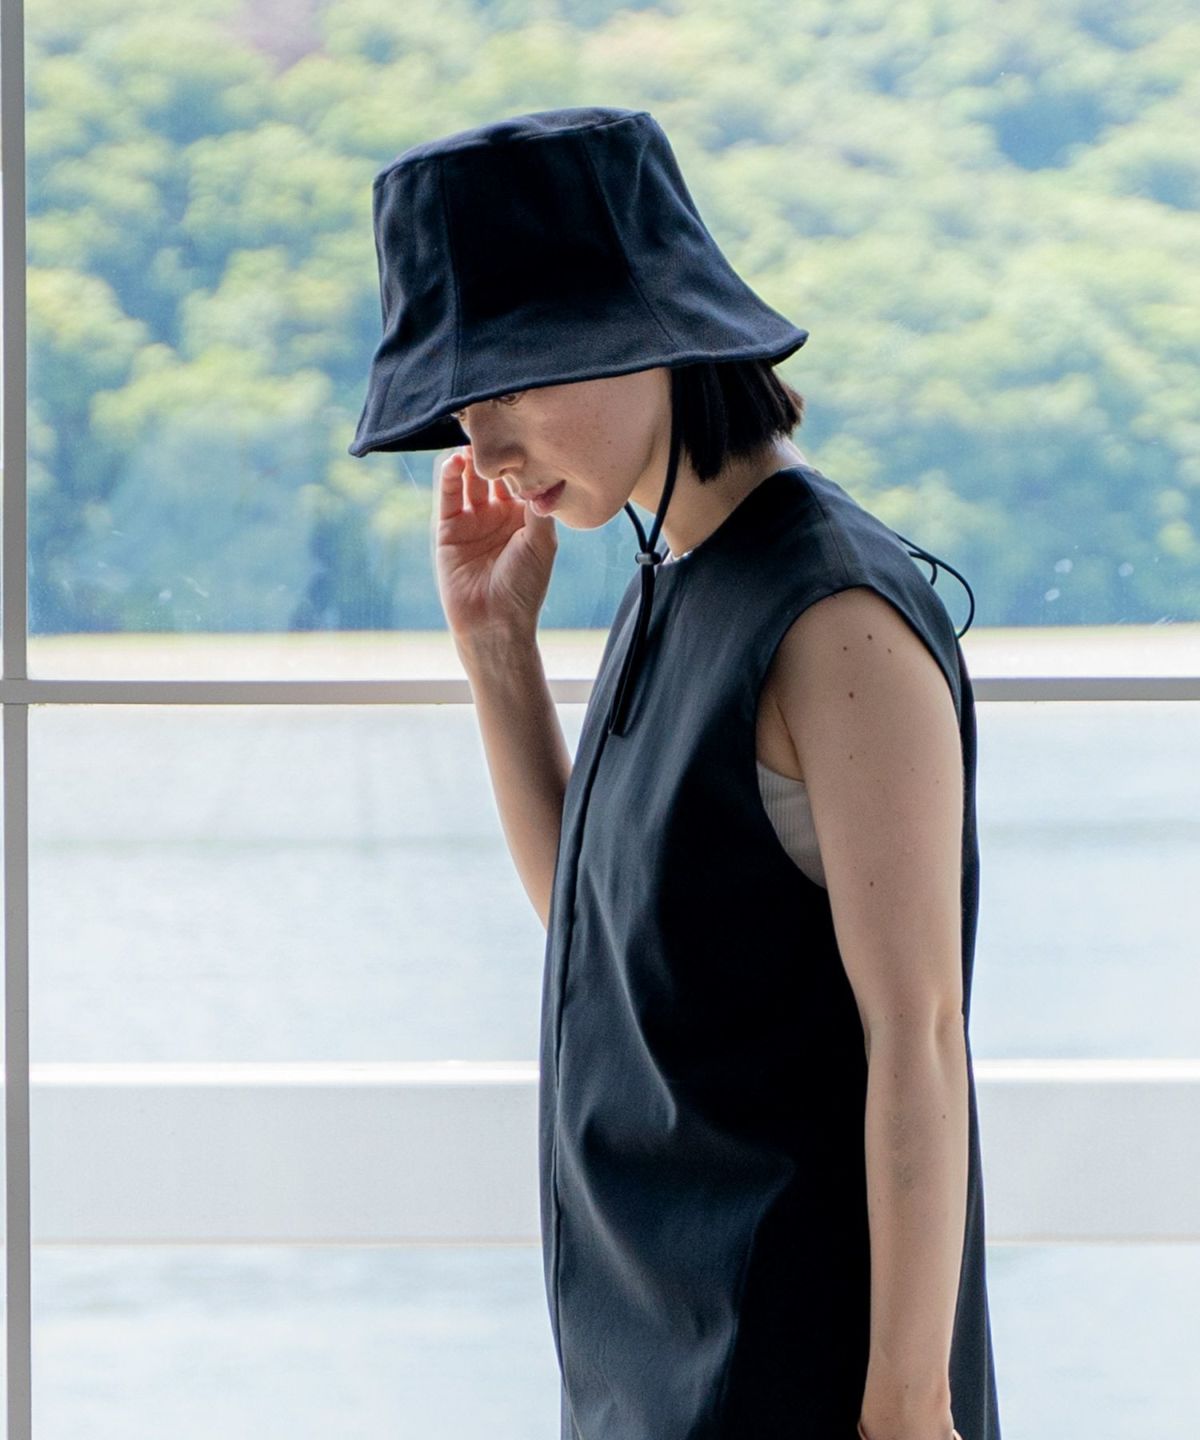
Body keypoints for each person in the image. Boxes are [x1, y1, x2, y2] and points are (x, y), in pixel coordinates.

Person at [349, 107, 999, 1440]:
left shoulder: (832, 616)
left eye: (511, 384)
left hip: (797, 1374)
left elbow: (921, 1035)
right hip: (647, 1361)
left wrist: (907, 1407)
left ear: (650, 332)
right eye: (465, 404)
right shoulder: (675, 574)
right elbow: (599, 940)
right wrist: (497, 653)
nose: (483, 447)